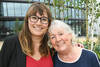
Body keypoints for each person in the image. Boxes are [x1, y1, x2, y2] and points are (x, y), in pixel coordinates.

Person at [0, 2, 53, 67]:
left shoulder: (52, 45)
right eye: (34, 18)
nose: (39, 23)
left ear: (49, 24)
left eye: (44, 19)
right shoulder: (11, 43)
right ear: (27, 20)